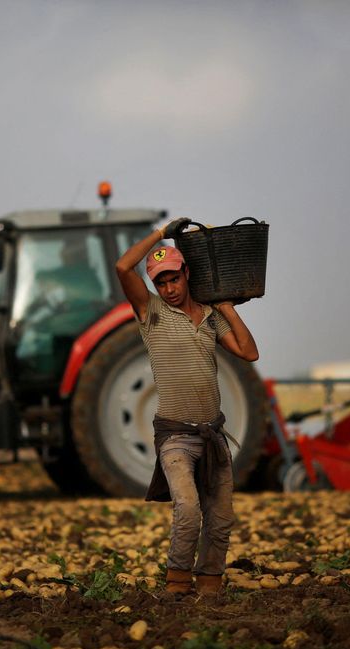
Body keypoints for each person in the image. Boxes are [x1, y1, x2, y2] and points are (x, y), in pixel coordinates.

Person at [115, 218, 259, 599]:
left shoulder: (212, 318)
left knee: (222, 518)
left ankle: (210, 587)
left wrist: (226, 306)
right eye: (161, 282)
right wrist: (161, 233)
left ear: (187, 273)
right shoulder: (152, 314)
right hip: (176, 436)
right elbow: (122, 267)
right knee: (188, 507)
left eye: (173, 279)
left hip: (212, 434)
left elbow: (249, 352)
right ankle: (177, 584)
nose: (169, 288)